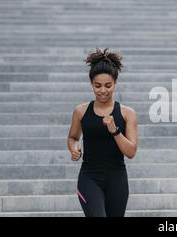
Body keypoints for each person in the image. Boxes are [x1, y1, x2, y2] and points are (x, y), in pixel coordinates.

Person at [67, 48, 138, 217]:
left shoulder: (127, 113)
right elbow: (72, 137)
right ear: (91, 84)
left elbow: (131, 152)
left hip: (117, 179)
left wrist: (114, 130)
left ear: (115, 83)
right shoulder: (81, 111)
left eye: (108, 85)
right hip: (89, 178)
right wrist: (73, 148)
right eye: (97, 86)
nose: (103, 90)